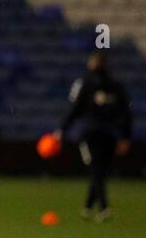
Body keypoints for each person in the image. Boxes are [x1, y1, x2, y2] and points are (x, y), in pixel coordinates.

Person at [53, 51, 132, 221]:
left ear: (93, 64)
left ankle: (103, 207)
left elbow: (75, 109)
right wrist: (125, 137)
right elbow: (126, 113)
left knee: (96, 170)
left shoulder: (86, 83)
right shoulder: (115, 85)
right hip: (110, 133)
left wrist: (61, 130)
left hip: (90, 132)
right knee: (100, 170)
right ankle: (88, 208)